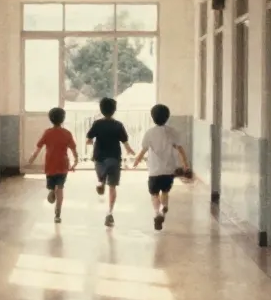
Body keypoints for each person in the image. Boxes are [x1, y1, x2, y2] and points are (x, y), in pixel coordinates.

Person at [132, 103, 191, 231]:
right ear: (167, 117)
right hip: (168, 170)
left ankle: (157, 212)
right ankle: (164, 208)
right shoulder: (172, 132)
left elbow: (144, 150)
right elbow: (180, 149)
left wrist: (137, 160)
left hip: (154, 171)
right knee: (165, 192)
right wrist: (185, 164)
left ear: (152, 117)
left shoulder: (149, 133)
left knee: (154, 194)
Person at [85, 97, 135, 227]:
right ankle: (109, 213)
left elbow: (88, 139)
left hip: (99, 158)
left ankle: (101, 181)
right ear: (114, 110)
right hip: (114, 158)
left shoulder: (97, 124)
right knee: (112, 187)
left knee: (101, 176)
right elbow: (125, 143)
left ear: (101, 110)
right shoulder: (118, 125)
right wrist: (130, 151)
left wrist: (90, 143)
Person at [27, 107, 78, 223]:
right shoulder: (67, 133)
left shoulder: (48, 133)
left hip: (50, 165)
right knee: (60, 188)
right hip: (63, 165)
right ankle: (58, 214)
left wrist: (31, 159)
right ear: (63, 119)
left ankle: (51, 190)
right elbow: (74, 149)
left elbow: (38, 148)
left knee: (52, 186)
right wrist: (76, 161)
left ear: (50, 119)